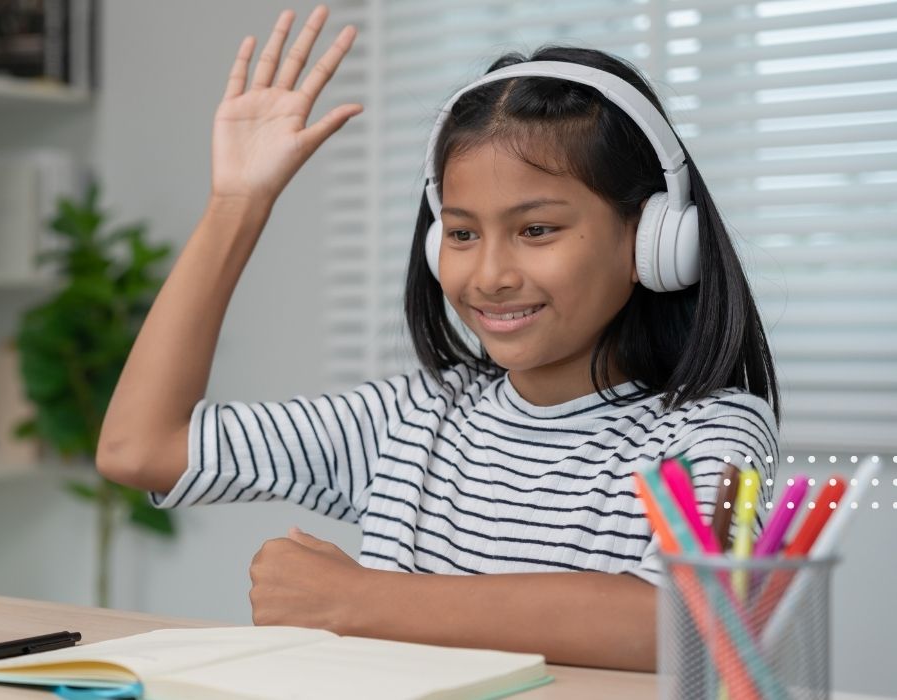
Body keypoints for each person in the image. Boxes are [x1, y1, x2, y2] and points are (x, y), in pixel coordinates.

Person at [96, 5, 780, 673]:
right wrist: (236, 206)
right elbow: (141, 449)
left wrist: (357, 600)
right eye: (461, 232)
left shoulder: (712, 433)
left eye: (536, 229)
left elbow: (682, 621)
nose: (489, 274)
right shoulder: (414, 419)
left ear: (656, 239)